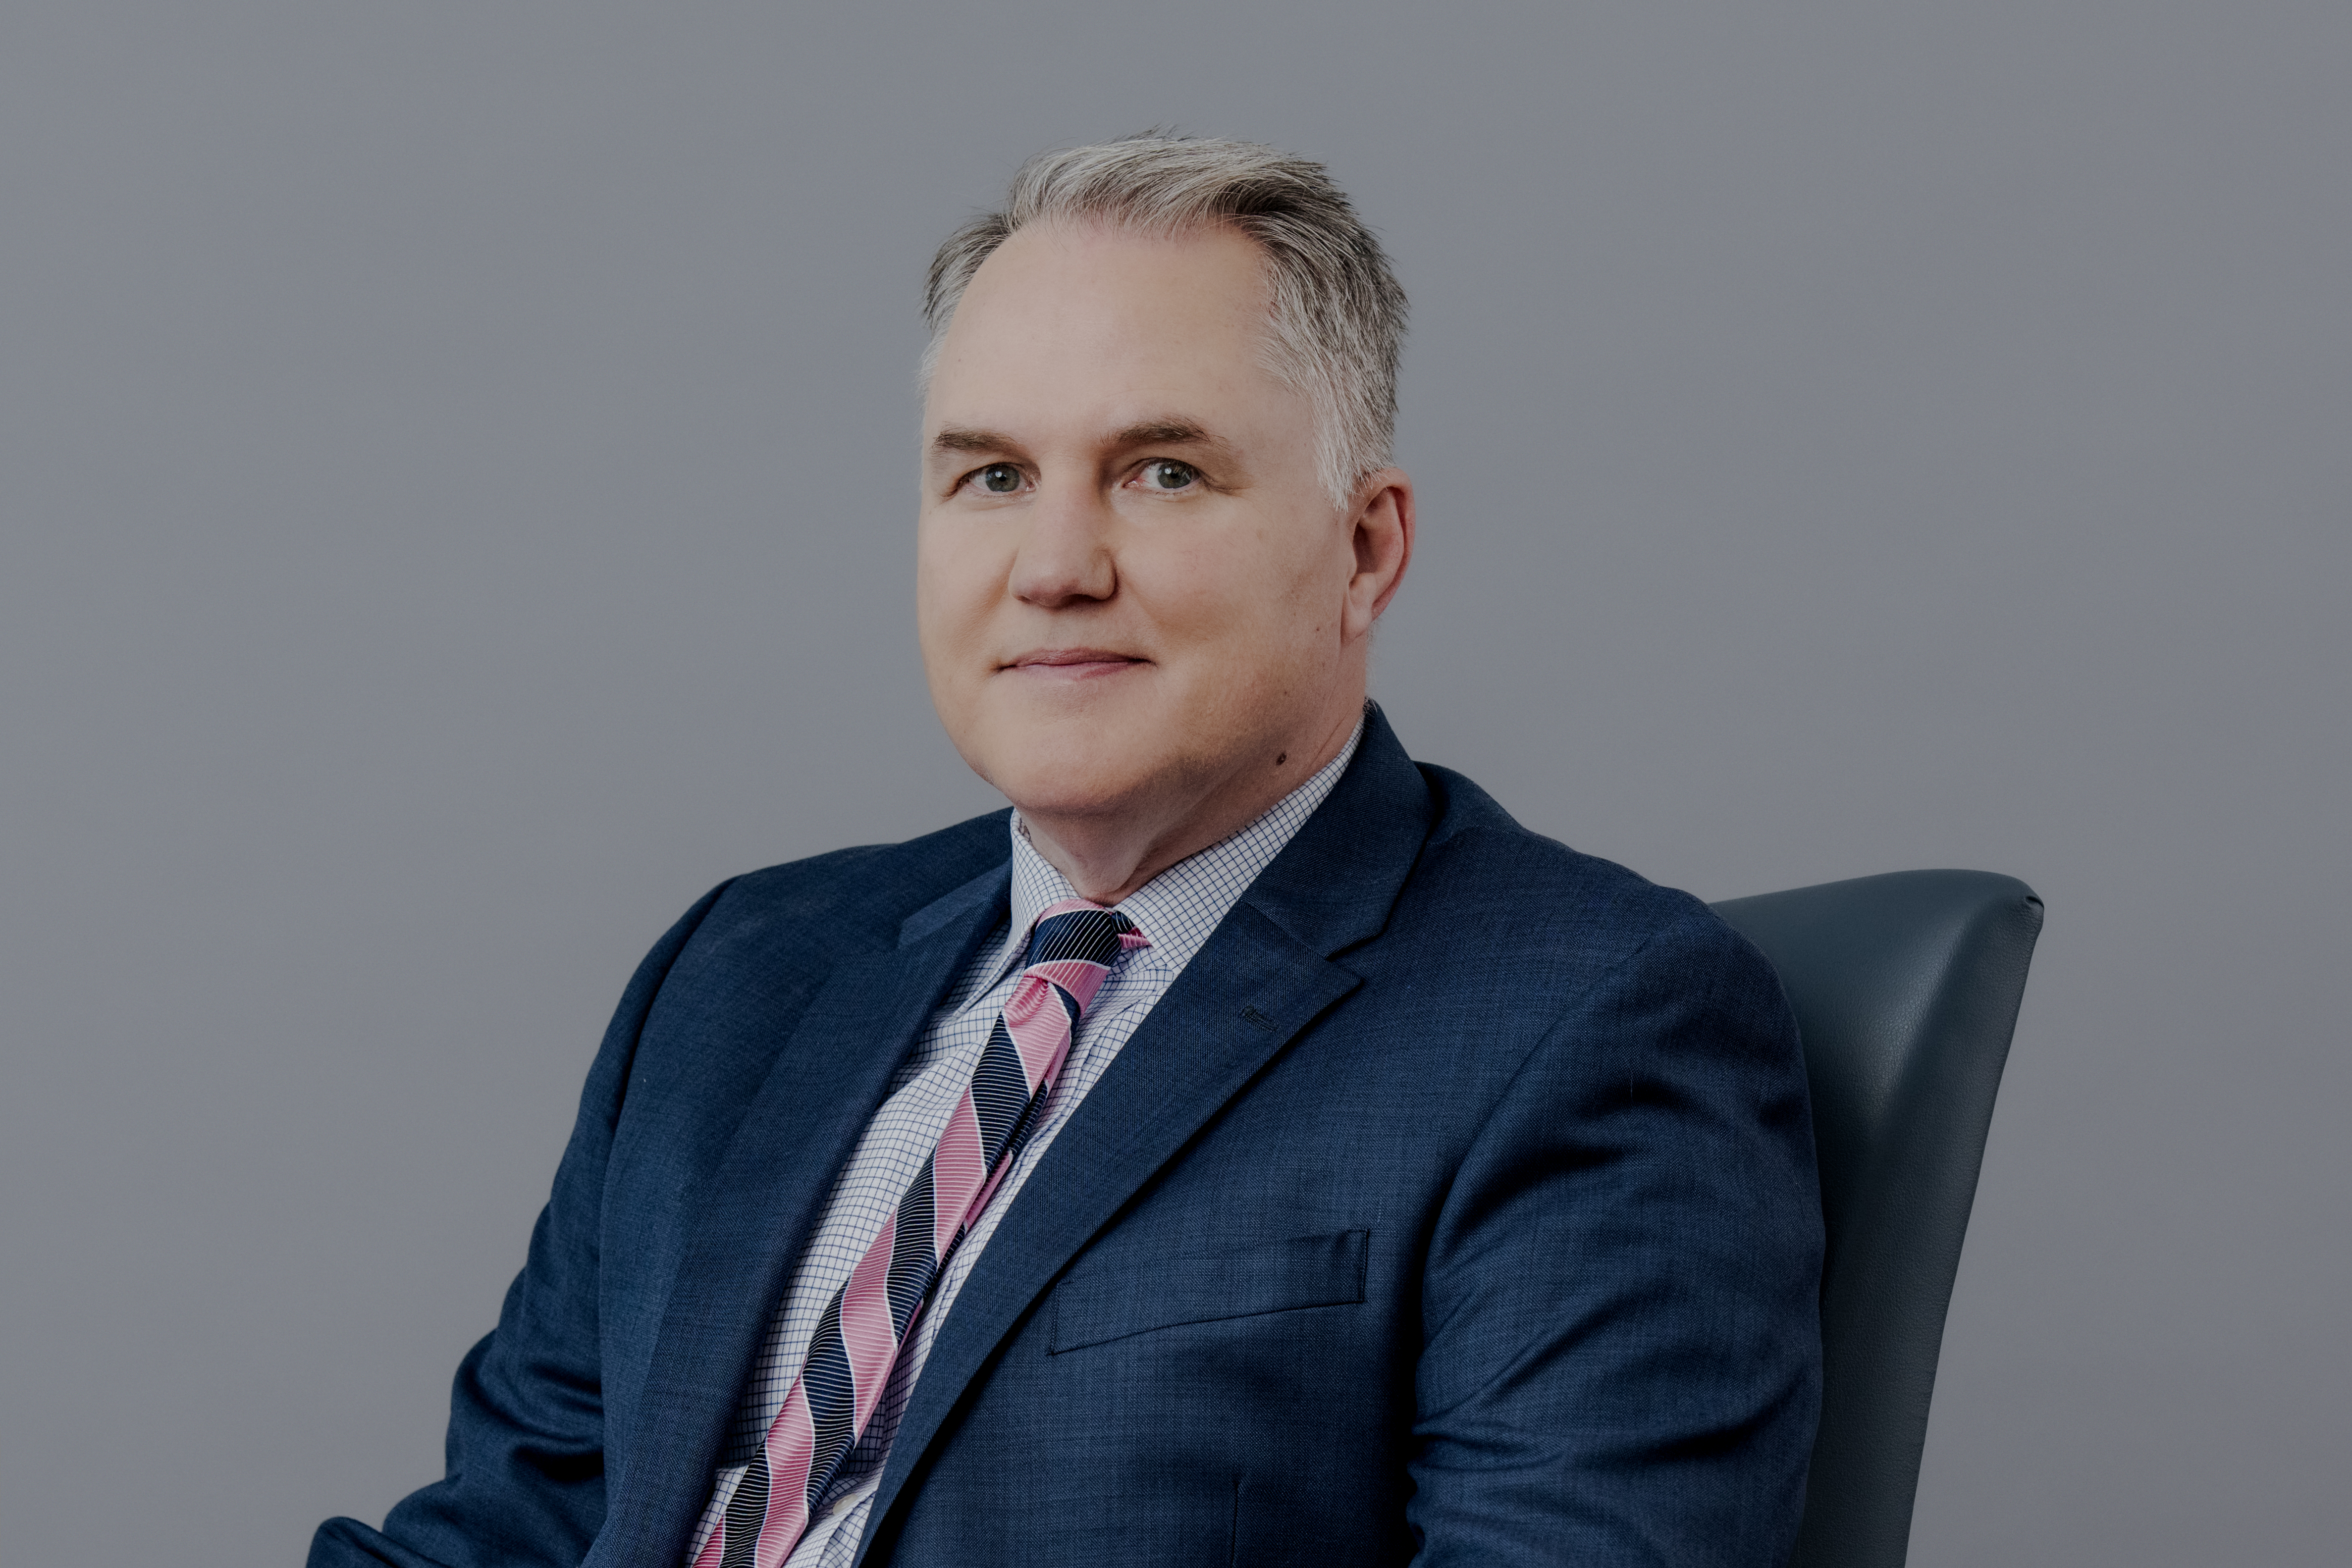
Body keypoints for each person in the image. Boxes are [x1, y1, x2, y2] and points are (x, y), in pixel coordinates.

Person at [309, 135, 1823, 1568]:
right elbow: (500, 1533)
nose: (1053, 568)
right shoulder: (739, 976)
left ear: (1364, 547)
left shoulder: (1588, 1022)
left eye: (1163, 472)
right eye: (991, 477)